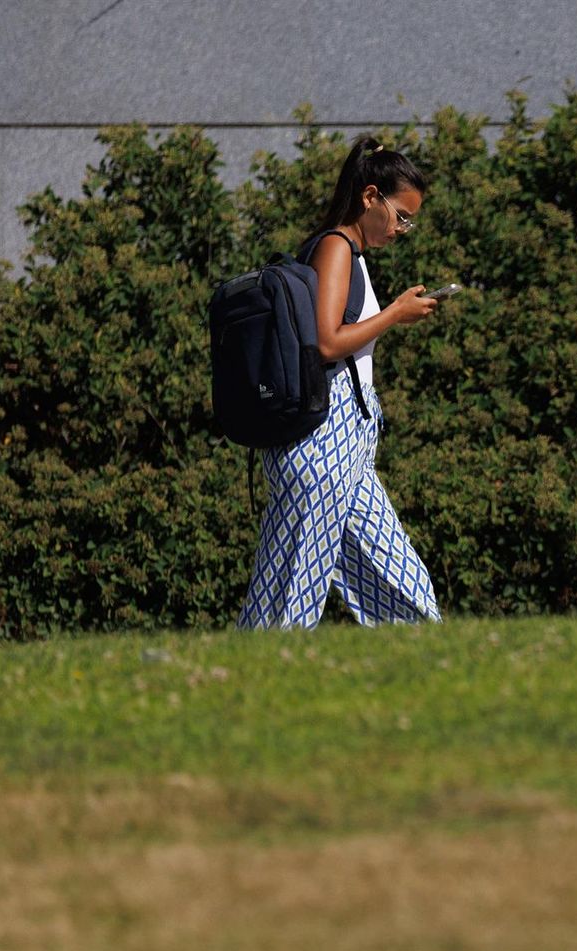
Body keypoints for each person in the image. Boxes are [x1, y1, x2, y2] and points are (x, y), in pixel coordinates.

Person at [238, 136, 447, 629]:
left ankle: (430, 663)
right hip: (321, 443)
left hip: (345, 444)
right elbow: (329, 342)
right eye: (401, 216)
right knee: (291, 590)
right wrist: (395, 313)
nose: (403, 229)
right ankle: (253, 684)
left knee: (400, 575)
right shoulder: (335, 247)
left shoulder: (350, 255)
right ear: (370, 196)